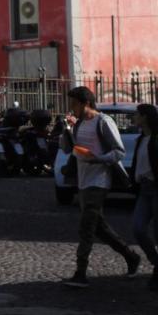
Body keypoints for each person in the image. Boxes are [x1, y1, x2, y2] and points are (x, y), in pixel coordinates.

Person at [61, 86, 140, 288]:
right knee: (100, 228)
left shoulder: (104, 122)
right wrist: (66, 130)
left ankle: (80, 272)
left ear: (86, 103)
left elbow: (119, 152)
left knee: (86, 227)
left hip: (100, 181)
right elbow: (67, 149)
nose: (72, 108)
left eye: (74, 104)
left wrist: (99, 159)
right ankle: (130, 256)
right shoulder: (78, 125)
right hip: (83, 181)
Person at [130, 104, 158, 292]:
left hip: (157, 190)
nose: (134, 118)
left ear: (145, 117)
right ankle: (157, 262)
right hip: (144, 189)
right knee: (138, 228)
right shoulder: (141, 139)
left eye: (136, 115)